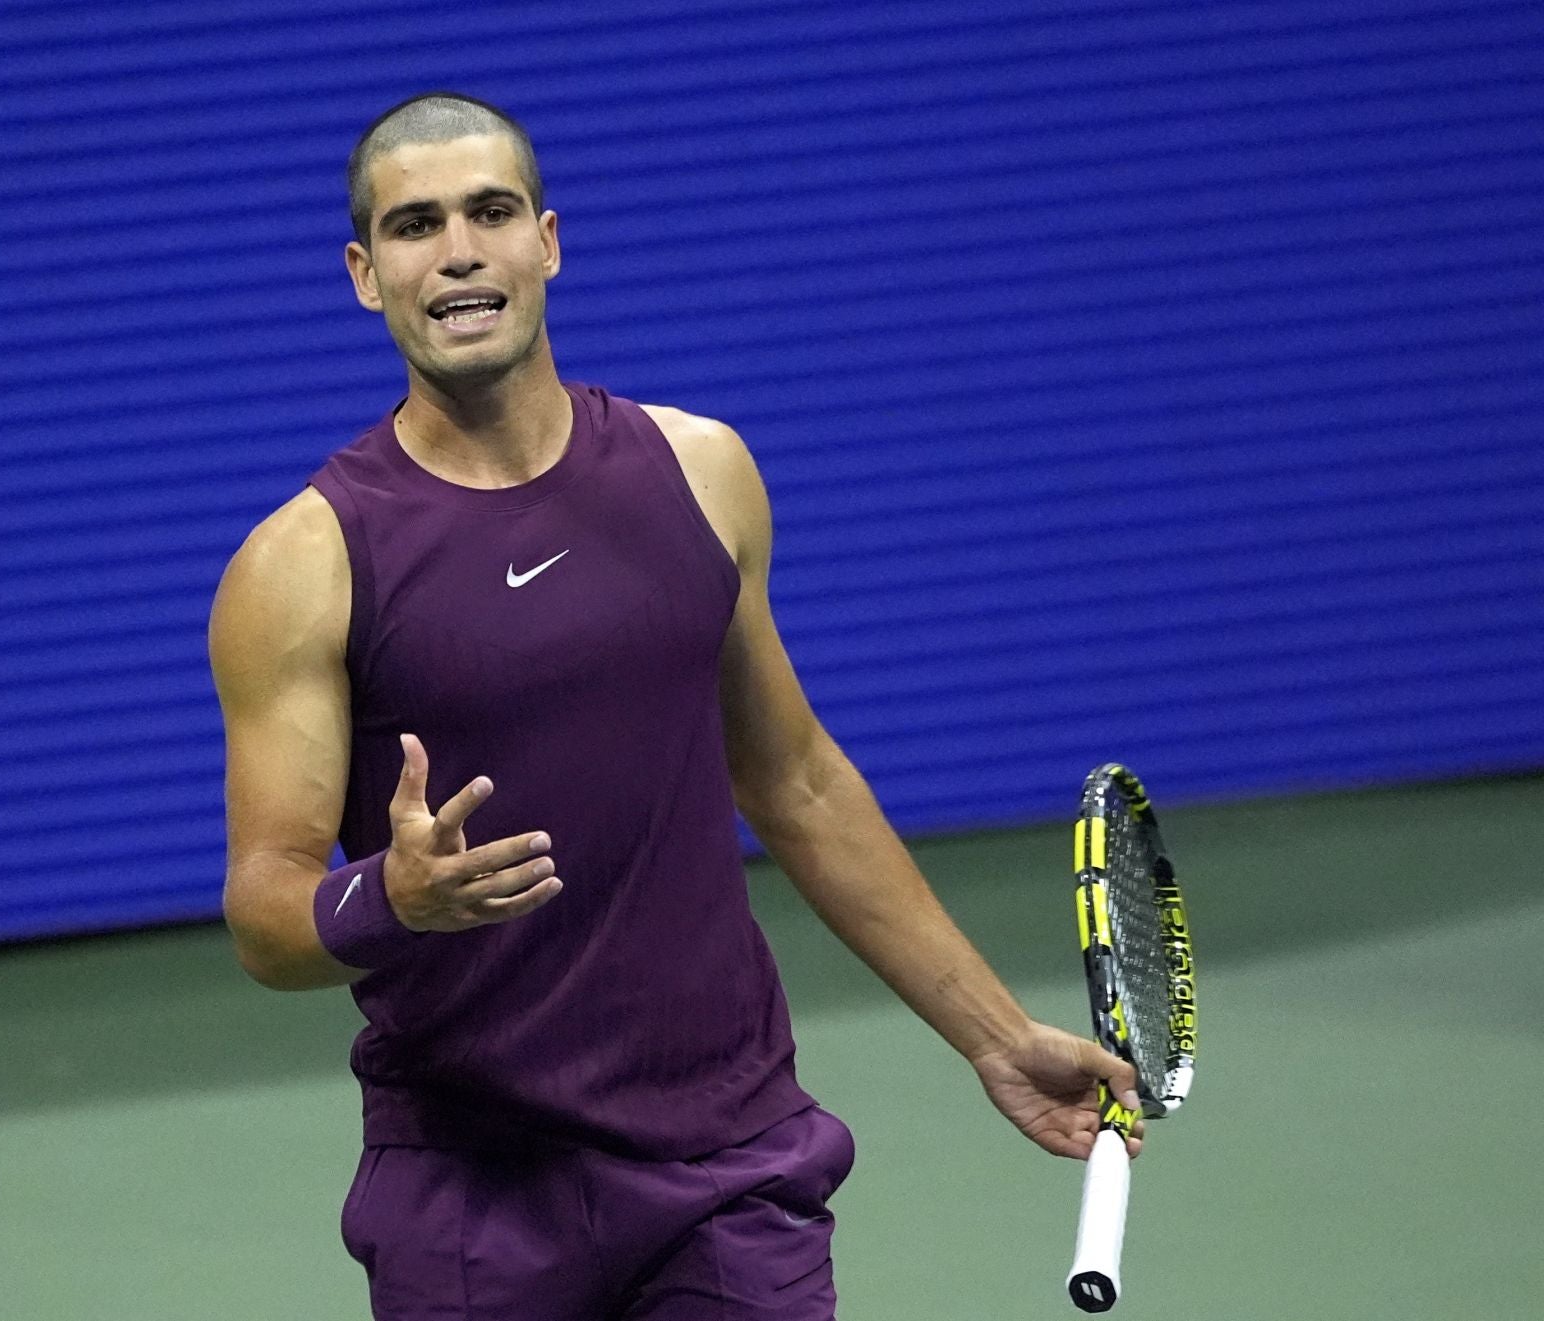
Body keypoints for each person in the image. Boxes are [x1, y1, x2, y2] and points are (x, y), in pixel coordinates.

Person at [208, 92, 1143, 1321]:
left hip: (728, 1160)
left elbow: (796, 780)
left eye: (490, 213)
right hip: (473, 1191)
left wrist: (991, 1033)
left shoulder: (699, 472)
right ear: (365, 274)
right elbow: (264, 911)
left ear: (548, 240)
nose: (459, 252)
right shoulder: (304, 562)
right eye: (414, 225)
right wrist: (388, 896)